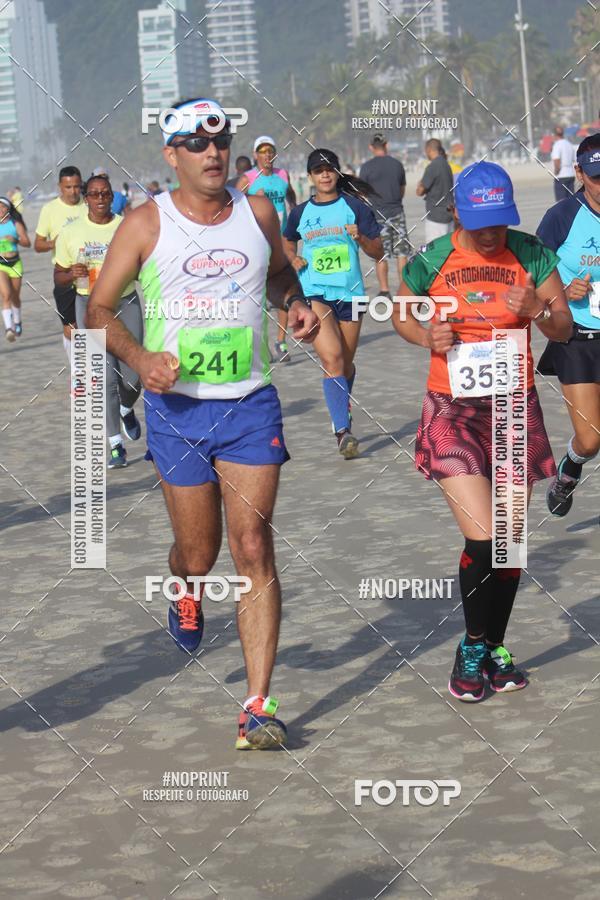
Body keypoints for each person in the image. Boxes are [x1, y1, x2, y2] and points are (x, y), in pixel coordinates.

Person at [86, 97, 319, 749]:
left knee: (253, 549)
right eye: (195, 143)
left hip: (250, 404)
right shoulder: (144, 224)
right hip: (177, 411)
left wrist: (295, 306)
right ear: (172, 155)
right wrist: (139, 358)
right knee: (200, 551)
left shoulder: (259, 212)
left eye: (220, 141)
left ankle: (257, 705)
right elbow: (98, 311)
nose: (212, 153)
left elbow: (280, 277)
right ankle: (185, 588)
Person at [392, 161, 572, 702]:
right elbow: (401, 316)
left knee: (512, 541)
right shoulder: (433, 259)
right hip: (453, 409)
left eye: (500, 220)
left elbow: (563, 327)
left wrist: (539, 307)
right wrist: (428, 335)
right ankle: (471, 644)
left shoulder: (532, 254)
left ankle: (495, 644)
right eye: (480, 221)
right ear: (456, 213)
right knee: (484, 535)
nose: (492, 233)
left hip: (515, 408)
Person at [282, 148, 382, 458]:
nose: (325, 174)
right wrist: (293, 257)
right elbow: (286, 240)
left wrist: (361, 238)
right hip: (316, 292)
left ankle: (342, 408)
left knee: (346, 363)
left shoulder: (355, 207)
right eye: (318, 170)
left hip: (350, 293)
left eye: (329, 169)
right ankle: (342, 431)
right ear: (310, 176)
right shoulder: (299, 213)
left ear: (337, 173)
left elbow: (378, 251)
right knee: (333, 359)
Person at [54, 174, 143, 468]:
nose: (101, 199)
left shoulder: (125, 227)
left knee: (134, 375)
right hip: (88, 304)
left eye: (105, 194)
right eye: (94, 194)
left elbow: (143, 263)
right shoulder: (71, 232)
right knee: (104, 379)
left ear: (111, 196)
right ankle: (115, 446)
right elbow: (59, 276)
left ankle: (127, 408)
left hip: (125, 301)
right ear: (85, 197)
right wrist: (71, 273)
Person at [537, 133, 600, 517]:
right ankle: (570, 468)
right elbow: (534, 276)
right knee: (591, 440)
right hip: (576, 338)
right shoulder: (561, 217)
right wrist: (563, 288)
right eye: (597, 176)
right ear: (578, 172)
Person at [236, 136, 297, 362]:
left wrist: (295, 222)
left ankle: (281, 342)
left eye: (270, 151)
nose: (267, 155)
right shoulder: (248, 178)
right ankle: (261, 344)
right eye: (262, 151)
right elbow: (230, 206)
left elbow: (291, 198)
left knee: (286, 292)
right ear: (255, 155)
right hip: (258, 242)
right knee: (258, 295)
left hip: (282, 240)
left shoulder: (283, 175)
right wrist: (252, 197)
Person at [34, 166, 86, 366]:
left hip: (89, 273)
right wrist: (52, 243)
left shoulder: (89, 204)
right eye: (68, 187)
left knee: (91, 324)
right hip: (63, 274)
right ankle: (77, 370)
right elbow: (37, 244)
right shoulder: (49, 209)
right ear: (60, 187)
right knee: (70, 327)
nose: (73, 192)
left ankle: (91, 372)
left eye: (76, 186)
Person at [359, 133, 410, 297]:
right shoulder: (397, 164)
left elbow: (362, 192)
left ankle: (384, 290)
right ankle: (404, 289)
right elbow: (402, 189)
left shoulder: (366, 167)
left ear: (370, 147)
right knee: (402, 253)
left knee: (381, 255)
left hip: (378, 216)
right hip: (397, 212)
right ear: (386, 145)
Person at [0, 196, 30, 341]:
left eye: (3, 207)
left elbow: (27, 243)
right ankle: (8, 329)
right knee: (6, 295)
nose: (0, 209)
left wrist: (15, 240)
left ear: (8, 209)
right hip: (1, 265)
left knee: (15, 297)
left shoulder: (15, 223)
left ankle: (17, 321)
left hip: (15, 264)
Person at [416, 138, 454, 243]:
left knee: (433, 252)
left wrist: (419, 184)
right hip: (448, 215)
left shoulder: (433, 166)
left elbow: (420, 191)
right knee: (447, 250)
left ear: (429, 150)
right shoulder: (446, 165)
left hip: (436, 217)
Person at [551, 126, 577, 202]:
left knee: (561, 202)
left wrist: (556, 171)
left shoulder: (557, 145)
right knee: (570, 200)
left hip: (561, 175)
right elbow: (573, 159)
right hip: (570, 174)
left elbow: (557, 160)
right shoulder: (569, 144)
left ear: (554, 134)